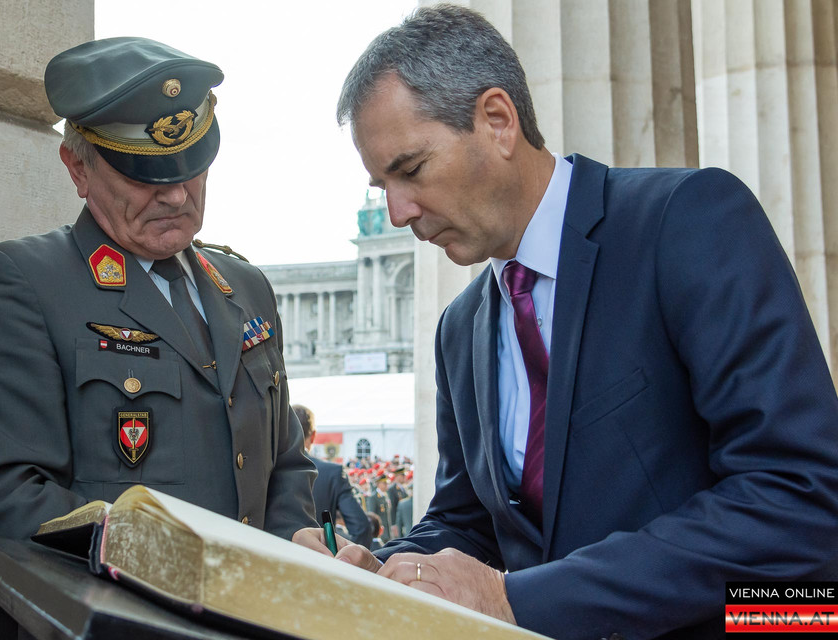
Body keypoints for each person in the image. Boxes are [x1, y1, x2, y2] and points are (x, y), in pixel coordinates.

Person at [293, 5, 838, 639]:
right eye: (380, 186)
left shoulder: (685, 221)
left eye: (410, 170)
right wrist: (376, 569)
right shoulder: (459, 329)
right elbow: (469, 524)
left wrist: (522, 601)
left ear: (498, 121)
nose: (396, 213)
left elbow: (797, 494)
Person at [0, 37, 316, 541]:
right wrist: (186, 565)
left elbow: (286, 465)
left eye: (191, 168)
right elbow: (6, 497)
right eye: (147, 175)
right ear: (79, 168)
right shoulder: (27, 283)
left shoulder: (246, 286)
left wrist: (297, 542)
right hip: (123, 592)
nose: (177, 195)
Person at [293, 404, 372, 547]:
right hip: (318, 557)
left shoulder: (266, 469)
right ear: (313, 435)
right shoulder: (332, 473)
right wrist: (344, 558)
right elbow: (361, 527)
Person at [364, 474, 395, 543]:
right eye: (384, 483)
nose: (386, 485)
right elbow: (372, 516)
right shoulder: (373, 497)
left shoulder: (385, 496)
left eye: (387, 483)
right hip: (379, 534)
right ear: (378, 484)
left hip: (387, 532)